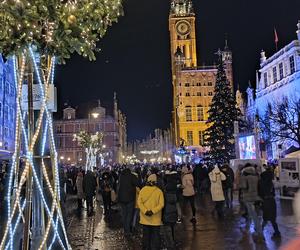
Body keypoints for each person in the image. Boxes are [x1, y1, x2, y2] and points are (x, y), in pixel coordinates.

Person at [138, 174, 165, 250]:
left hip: (145, 218)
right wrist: (153, 211)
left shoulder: (143, 190)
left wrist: (145, 211)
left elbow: (139, 202)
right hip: (156, 219)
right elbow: (161, 204)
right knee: (155, 236)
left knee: (146, 236)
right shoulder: (159, 191)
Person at [239, 163, 264, 242]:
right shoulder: (256, 175)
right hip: (257, 197)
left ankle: (259, 233)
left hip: (248, 198)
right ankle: (247, 227)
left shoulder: (244, 176)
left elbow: (243, 186)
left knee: (254, 215)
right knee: (254, 214)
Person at [259, 166, 281, 238]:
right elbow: (273, 193)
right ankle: (277, 232)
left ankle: (260, 232)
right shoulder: (270, 182)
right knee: (273, 218)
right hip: (272, 201)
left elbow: (260, 193)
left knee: (265, 218)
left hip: (265, 201)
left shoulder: (261, 182)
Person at [118, 166, 139, 237]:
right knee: (129, 215)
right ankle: (127, 231)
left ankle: (125, 229)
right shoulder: (132, 176)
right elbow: (138, 183)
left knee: (124, 214)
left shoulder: (121, 176)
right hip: (130, 198)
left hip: (121, 198)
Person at [163, 169, 178, 243]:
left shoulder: (165, 194)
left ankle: (170, 241)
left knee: (168, 227)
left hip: (167, 212)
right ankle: (174, 239)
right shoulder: (174, 197)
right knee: (173, 226)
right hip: (173, 211)